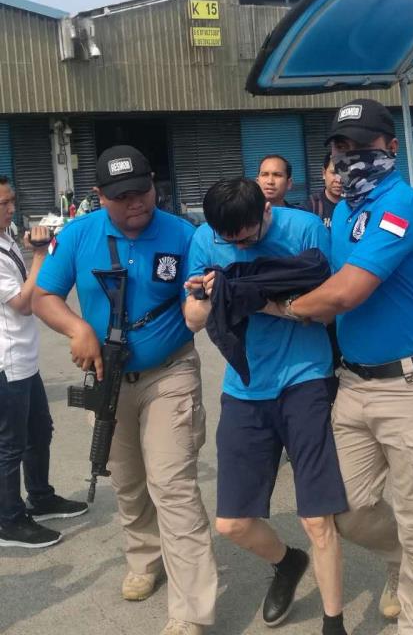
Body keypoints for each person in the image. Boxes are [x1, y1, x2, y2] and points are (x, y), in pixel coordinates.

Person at [262, 98, 413, 634]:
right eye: (340, 146)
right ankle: (405, 561)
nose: (349, 156)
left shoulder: (402, 205)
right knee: (344, 509)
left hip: (412, 386)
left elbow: (345, 292)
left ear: (390, 147)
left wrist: (277, 307)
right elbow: (321, 278)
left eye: (362, 145)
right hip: (354, 383)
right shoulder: (347, 208)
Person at [32, 147, 217, 635]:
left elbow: (197, 303)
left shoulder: (184, 235)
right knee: (128, 481)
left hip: (169, 372)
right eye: (122, 196)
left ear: (154, 183)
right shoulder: (79, 234)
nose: (136, 202)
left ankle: (191, 610)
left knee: (173, 486)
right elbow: (44, 296)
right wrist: (77, 329)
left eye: (143, 190)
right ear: (100, 196)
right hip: (106, 379)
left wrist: (202, 306)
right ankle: (144, 557)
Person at [184, 178, 349, 635]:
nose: (238, 245)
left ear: (266, 211)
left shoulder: (306, 229)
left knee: (317, 517)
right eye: (229, 241)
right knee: (232, 523)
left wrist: (253, 296)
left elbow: (328, 310)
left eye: (246, 237)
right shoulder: (205, 239)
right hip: (244, 388)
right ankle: (287, 561)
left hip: (305, 378)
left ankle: (334, 623)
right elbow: (192, 320)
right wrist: (209, 295)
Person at [0, 176, 88, 549]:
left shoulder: (6, 238)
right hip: (7, 361)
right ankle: (8, 520)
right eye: (3, 204)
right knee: (10, 443)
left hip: (25, 356)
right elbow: (23, 303)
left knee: (39, 430)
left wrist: (34, 248)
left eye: (12, 200)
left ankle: (40, 496)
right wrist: (38, 255)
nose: (11, 208)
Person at [300, 152, 342, 229]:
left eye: (344, 173)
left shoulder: (357, 206)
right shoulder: (310, 207)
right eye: (334, 173)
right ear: (324, 173)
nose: (338, 180)